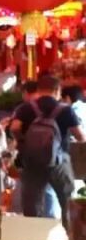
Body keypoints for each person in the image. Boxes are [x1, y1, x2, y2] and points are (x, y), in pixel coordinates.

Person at [11, 74, 85, 225]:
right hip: (59, 161)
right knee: (66, 199)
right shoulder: (65, 110)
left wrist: (23, 141)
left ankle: (34, 232)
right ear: (57, 90)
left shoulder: (26, 108)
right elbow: (80, 136)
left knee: (32, 203)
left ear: (38, 89)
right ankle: (67, 230)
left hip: (32, 161)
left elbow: (15, 127)